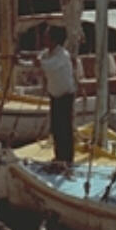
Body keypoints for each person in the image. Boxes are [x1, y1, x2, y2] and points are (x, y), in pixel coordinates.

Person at [39, 26, 76, 168]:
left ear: (54, 40)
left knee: (64, 128)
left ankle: (67, 159)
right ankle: (58, 156)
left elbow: (48, 66)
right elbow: (39, 62)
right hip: (54, 95)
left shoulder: (62, 55)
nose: (44, 39)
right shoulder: (47, 54)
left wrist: (38, 62)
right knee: (55, 127)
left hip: (65, 95)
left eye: (47, 37)